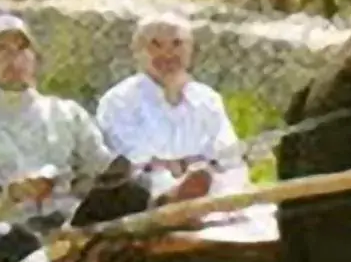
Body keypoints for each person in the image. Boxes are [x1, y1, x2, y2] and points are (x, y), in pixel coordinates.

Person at [0, 12, 156, 262]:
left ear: (35, 58)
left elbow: (104, 166)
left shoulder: (66, 113)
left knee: (135, 191)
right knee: (6, 237)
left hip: (74, 226)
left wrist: (143, 169)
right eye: (1, 50)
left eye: (22, 50)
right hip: (17, 230)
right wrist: (17, 190)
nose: (14, 59)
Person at [94, 12, 249, 201]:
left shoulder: (208, 100)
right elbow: (139, 165)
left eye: (177, 44)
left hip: (211, 197)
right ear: (137, 51)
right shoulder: (119, 101)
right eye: (155, 45)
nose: (167, 54)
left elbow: (228, 157)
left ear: (191, 49)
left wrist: (193, 169)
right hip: (146, 201)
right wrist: (190, 168)